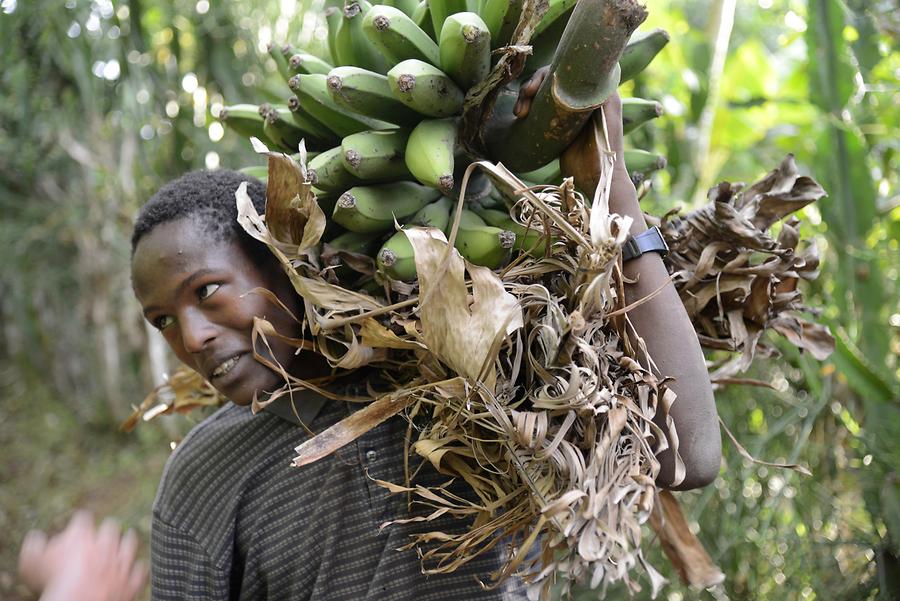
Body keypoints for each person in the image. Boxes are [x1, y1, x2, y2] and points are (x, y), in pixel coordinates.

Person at [21, 77, 720, 599]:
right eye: (162, 321)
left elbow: (687, 453)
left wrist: (612, 189)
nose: (192, 338)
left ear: (284, 249)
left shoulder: (463, 381)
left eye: (206, 292)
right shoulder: (202, 482)